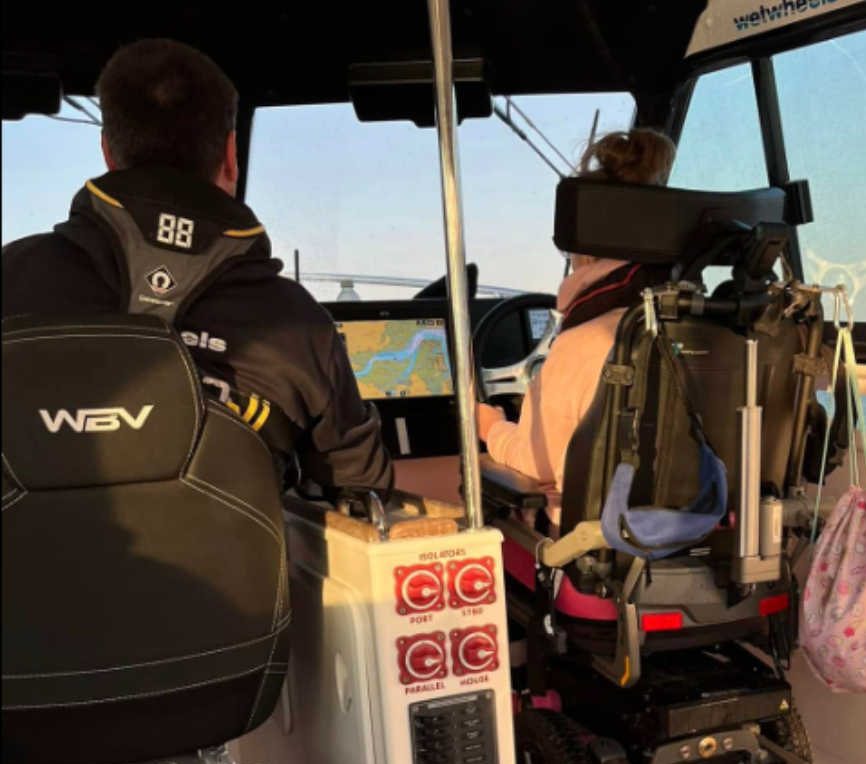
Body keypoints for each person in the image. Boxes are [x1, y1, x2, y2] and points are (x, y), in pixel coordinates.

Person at [2, 38, 392, 500]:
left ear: (108, 152)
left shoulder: (12, 276)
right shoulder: (298, 323)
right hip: (236, 575)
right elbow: (362, 493)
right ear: (230, 155)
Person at [477, 128, 676, 500]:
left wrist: (493, 429)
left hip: (597, 545)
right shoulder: (708, 330)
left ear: (583, 250)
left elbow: (537, 463)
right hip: (709, 527)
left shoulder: (587, 342)